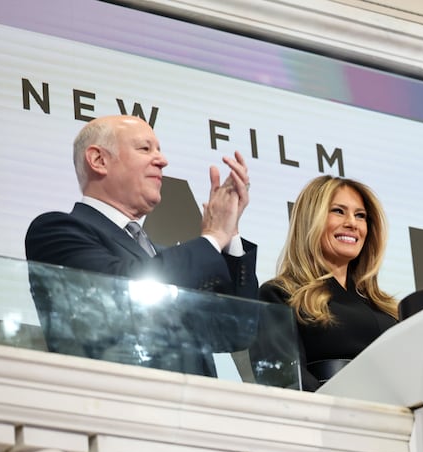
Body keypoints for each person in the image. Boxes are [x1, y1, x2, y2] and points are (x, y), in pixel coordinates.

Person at [25, 114, 258, 376]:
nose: (162, 160)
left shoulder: (161, 256)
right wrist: (213, 236)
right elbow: (120, 297)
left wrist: (230, 231)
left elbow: (235, 331)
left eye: (159, 149)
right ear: (99, 160)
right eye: (145, 149)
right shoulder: (56, 231)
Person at [259, 175, 398, 391]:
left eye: (360, 215)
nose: (352, 223)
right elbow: (286, 379)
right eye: (338, 211)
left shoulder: (386, 308)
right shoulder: (281, 294)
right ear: (310, 220)